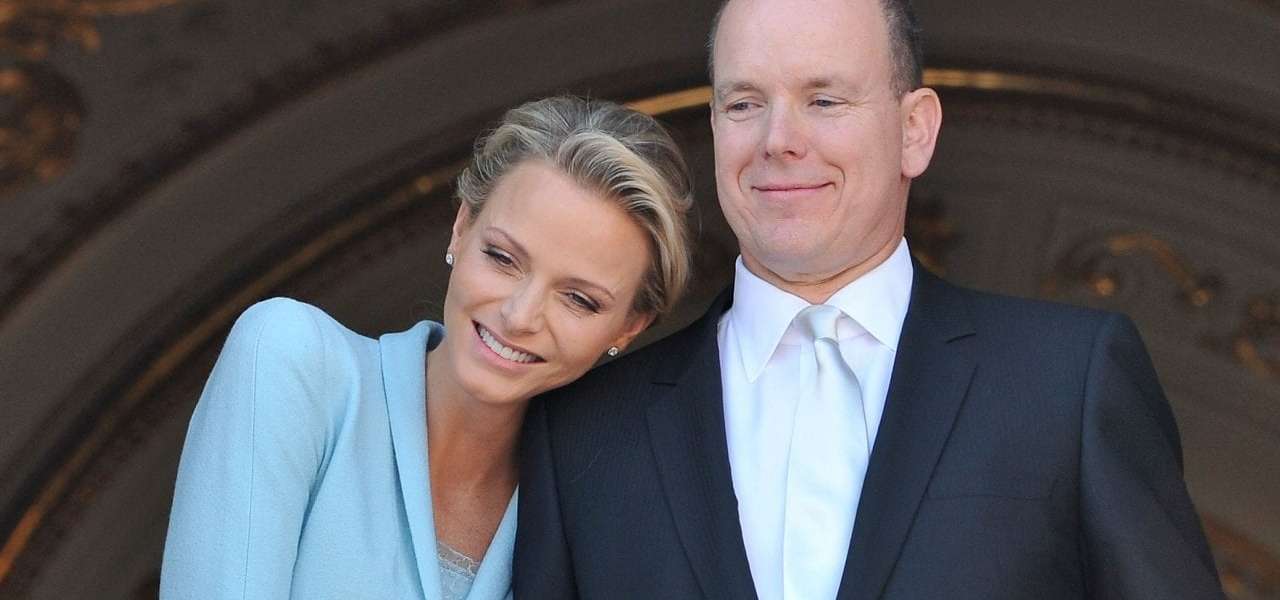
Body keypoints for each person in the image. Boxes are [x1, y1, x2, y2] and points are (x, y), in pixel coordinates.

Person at [513, 1, 1225, 598]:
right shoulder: (582, 431)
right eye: (745, 104)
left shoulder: (1068, 381)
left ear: (915, 130)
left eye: (824, 100)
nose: (778, 140)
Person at [159, 96, 694, 599]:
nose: (519, 316)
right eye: (502, 258)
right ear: (461, 227)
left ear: (629, 326)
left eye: (578, 299)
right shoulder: (293, 359)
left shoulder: (605, 514)